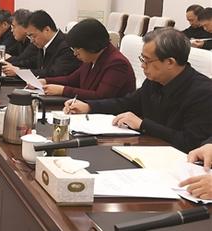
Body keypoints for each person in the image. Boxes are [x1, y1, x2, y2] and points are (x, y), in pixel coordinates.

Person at [64, 28, 212, 152]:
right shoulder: (154, 81)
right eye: (142, 59)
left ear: (170, 62)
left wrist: (142, 125)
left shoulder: (203, 92)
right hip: (148, 149)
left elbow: (191, 142)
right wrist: (89, 107)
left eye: (147, 60)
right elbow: (126, 103)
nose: (142, 66)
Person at [39, 19, 136, 99]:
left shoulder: (117, 63)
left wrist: (63, 90)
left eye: (77, 49)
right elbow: (71, 80)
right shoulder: (92, 57)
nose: (75, 53)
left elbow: (100, 96)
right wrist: (45, 81)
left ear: (92, 46)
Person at [1, 10, 79, 78]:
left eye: (33, 36)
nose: (32, 40)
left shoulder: (66, 46)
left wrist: (20, 72)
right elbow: (31, 63)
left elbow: (54, 73)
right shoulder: (43, 44)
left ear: (47, 30)